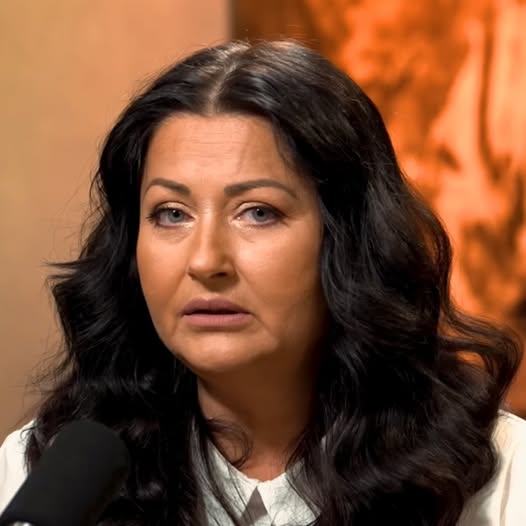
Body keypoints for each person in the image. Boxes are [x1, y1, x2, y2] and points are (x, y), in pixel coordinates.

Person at [0, 40, 524, 526]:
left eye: (258, 212)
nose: (205, 261)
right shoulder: (43, 479)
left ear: (349, 240)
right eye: (171, 213)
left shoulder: (500, 476)